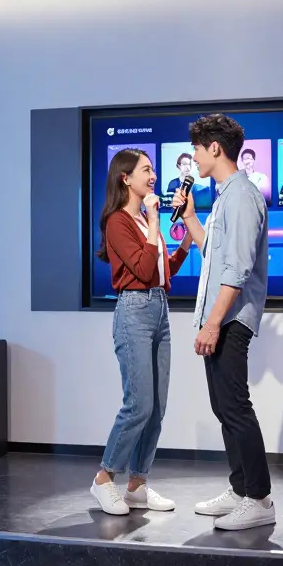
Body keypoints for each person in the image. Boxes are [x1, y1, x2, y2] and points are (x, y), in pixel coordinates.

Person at [172, 114, 274, 531]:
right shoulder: (224, 197)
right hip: (221, 317)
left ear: (215, 148)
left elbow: (237, 269)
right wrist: (191, 218)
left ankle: (259, 497)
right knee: (223, 406)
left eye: (197, 149)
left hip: (231, 319)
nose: (194, 157)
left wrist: (212, 324)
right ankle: (239, 488)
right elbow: (212, 253)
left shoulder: (242, 195)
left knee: (234, 406)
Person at [89, 148, 193, 515]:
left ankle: (137, 484)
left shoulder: (148, 223)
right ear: (126, 178)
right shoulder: (117, 222)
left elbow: (162, 271)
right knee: (139, 404)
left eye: (152, 170)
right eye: (146, 170)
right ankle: (104, 478)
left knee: (157, 407)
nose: (153, 176)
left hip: (159, 308)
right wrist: (152, 218)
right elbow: (144, 269)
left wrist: (184, 243)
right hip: (133, 310)